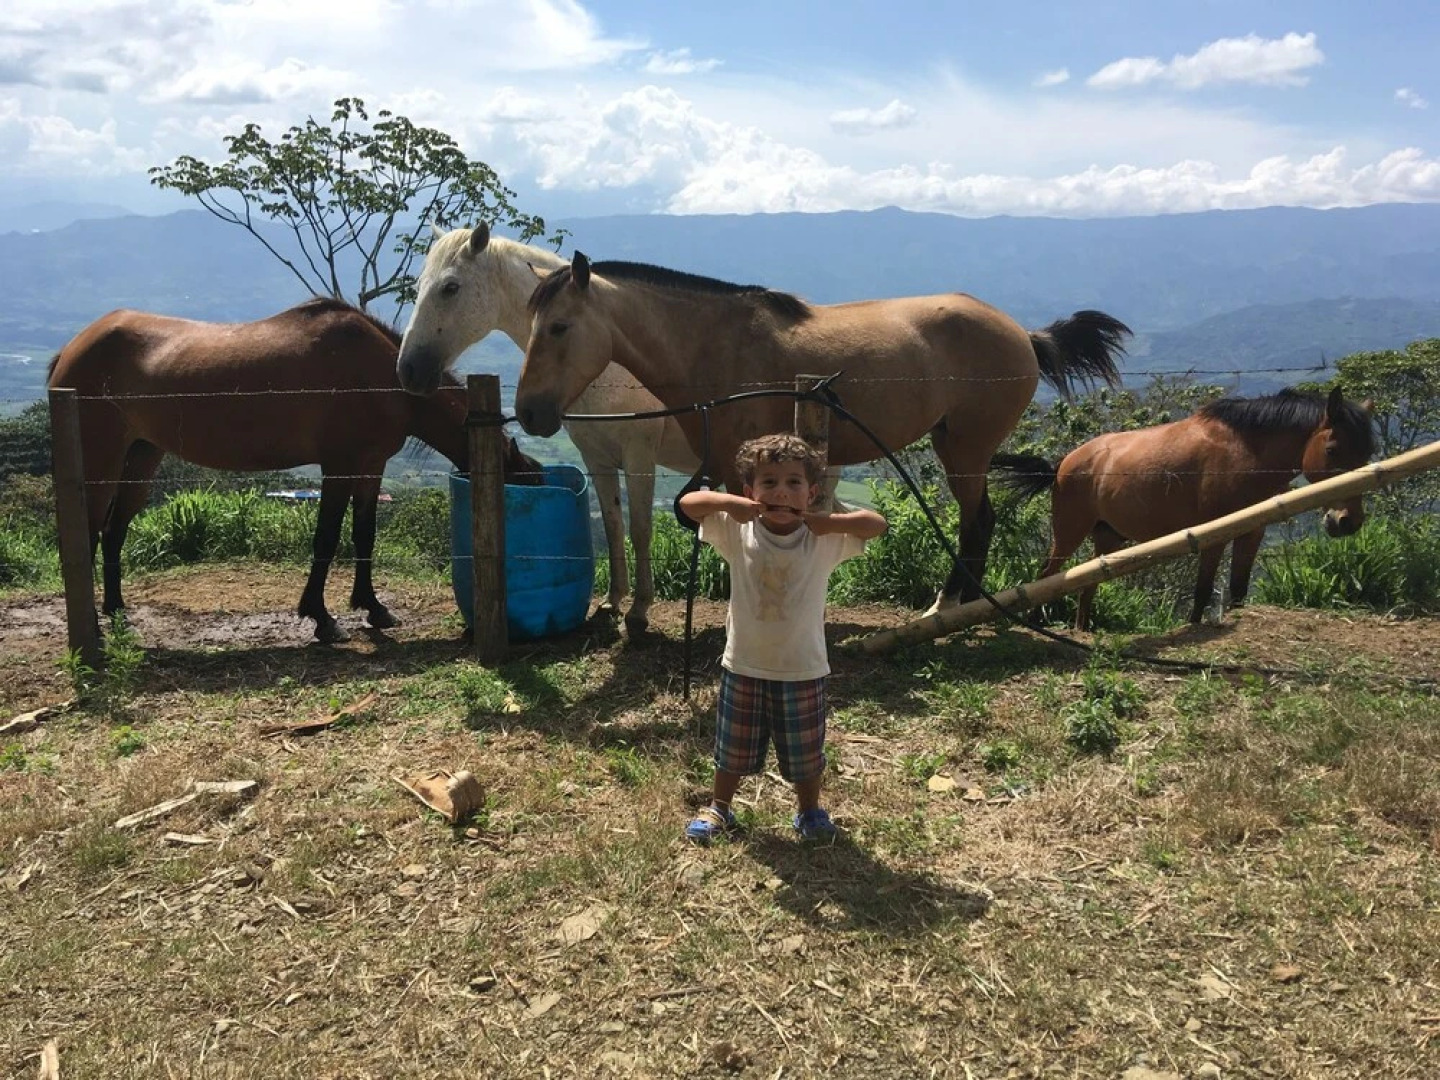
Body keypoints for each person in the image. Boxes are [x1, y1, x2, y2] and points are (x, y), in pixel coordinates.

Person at [679, 433, 888, 844]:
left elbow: (876, 525)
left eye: (794, 483)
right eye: (769, 482)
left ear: (811, 493)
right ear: (750, 492)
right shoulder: (737, 531)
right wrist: (730, 504)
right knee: (732, 749)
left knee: (805, 754)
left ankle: (809, 811)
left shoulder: (822, 539)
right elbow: (688, 504)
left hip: (803, 669)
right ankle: (719, 807)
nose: (781, 492)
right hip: (743, 664)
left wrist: (831, 522)